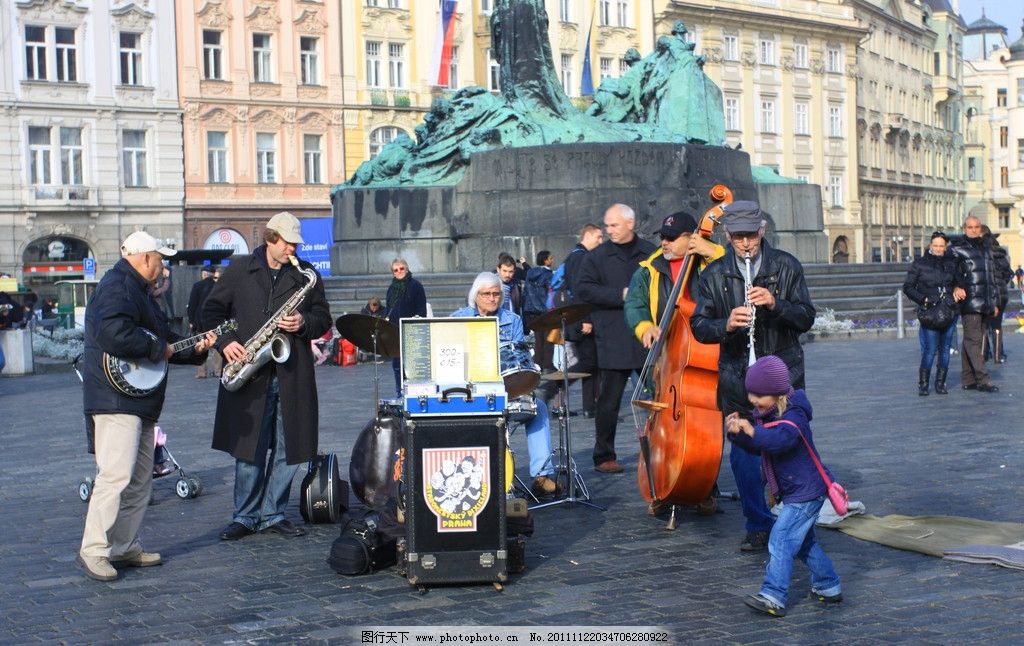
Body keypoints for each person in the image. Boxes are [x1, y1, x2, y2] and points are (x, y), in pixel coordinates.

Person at [78, 231, 216, 581]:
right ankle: (94, 549)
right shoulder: (118, 287)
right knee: (115, 476)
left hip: (137, 399)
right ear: (143, 258)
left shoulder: (138, 291)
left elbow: (162, 345)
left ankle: (124, 546)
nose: (164, 266)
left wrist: (193, 348)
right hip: (116, 398)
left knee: (140, 479)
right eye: (160, 259)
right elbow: (115, 335)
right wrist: (160, 348)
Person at [690, 200, 815, 552]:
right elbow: (699, 326)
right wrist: (725, 324)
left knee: (788, 448)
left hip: (782, 377)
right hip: (737, 378)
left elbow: (806, 317)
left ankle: (792, 520)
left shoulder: (786, 266)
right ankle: (758, 524)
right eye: (738, 237)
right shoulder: (714, 275)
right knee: (744, 456)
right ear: (727, 235)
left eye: (752, 236)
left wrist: (776, 305)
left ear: (762, 232)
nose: (746, 244)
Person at [203, 212, 332, 541]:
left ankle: (272, 512)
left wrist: (303, 323)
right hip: (251, 373)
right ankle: (245, 515)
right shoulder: (239, 270)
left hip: (293, 374)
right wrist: (225, 342)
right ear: (270, 239)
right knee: (250, 449)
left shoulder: (306, 275)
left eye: (295, 243)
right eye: (287, 242)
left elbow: (323, 320)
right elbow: (209, 312)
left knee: (291, 449)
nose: (293, 249)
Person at [624, 210, 725, 515]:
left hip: (704, 353)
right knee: (663, 426)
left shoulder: (709, 261)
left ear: (690, 237)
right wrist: (644, 327)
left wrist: (716, 252)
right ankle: (663, 485)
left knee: (706, 426)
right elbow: (634, 304)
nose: (664, 243)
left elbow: (737, 277)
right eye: (662, 237)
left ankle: (704, 484)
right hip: (666, 360)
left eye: (671, 238)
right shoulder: (649, 269)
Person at [726, 355, 842, 618]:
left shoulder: (794, 415)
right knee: (804, 543)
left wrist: (754, 432)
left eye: (758, 395)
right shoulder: (767, 413)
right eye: (750, 394)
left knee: (780, 538)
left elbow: (780, 440)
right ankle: (829, 585)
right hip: (796, 491)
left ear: (776, 393)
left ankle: (773, 595)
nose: (752, 400)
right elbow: (760, 446)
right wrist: (736, 433)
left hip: (806, 491)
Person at [451, 272, 560, 497]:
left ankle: (541, 474)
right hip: (470, 389)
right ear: (476, 296)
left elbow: (519, 357)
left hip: (505, 386)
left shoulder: (513, 320)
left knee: (538, 408)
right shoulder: (459, 318)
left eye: (496, 294)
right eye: (487, 294)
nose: (492, 298)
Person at [576, 203, 657, 474]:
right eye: (607, 225)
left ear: (630, 224)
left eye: (614, 225)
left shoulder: (651, 252)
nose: (608, 230)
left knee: (659, 396)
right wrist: (619, 296)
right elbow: (584, 289)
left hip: (647, 336)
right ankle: (604, 455)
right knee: (609, 401)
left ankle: (664, 447)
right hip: (613, 336)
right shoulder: (596, 257)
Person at [548, 223, 604, 416]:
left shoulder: (575, 255)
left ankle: (590, 406)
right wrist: (586, 319)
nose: (601, 241)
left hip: (576, 319)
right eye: (598, 237)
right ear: (588, 236)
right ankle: (556, 386)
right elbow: (581, 291)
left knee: (591, 362)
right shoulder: (581, 257)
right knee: (588, 362)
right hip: (580, 319)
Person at [902, 232, 963, 395]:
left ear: (945, 247)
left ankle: (940, 383)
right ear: (930, 246)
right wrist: (923, 299)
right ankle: (923, 384)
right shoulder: (920, 264)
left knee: (945, 349)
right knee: (930, 350)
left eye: (941, 246)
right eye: (935, 245)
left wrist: (957, 288)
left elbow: (959, 281)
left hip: (949, 310)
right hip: (930, 312)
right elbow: (907, 287)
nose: (938, 249)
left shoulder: (952, 263)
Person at [947, 216, 1001, 392]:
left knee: (971, 340)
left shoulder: (986, 247)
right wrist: (956, 286)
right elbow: (950, 273)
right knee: (974, 340)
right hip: (969, 301)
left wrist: (994, 302)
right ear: (964, 228)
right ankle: (983, 379)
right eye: (970, 227)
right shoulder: (956, 248)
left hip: (985, 301)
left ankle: (968, 378)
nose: (974, 230)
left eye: (977, 227)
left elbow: (992, 277)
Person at [385, 258, 427, 396]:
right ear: (392, 273)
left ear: (407, 269)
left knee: (412, 365)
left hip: (411, 331)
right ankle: (400, 393)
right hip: (394, 330)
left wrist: (417, 324)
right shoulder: (392, 288)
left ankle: (414, 393)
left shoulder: (415, 285)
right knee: (397, 365)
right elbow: (389, 307)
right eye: (395, 270)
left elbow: (421, 310)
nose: (399, 272)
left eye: (402, 268)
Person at [981, 226, 1011, 364]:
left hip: (987, 294)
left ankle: (984, 353)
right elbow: (1008, 273)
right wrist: (1002, 284)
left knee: (984, 325)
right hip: (1002, 294)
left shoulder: (982, 253)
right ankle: (999, 356)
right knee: (997, 325)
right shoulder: (1000, 253)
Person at [522, 250, 555, 371]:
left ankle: (538, 364)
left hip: (531, 311)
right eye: (551, 258)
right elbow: (551, 293)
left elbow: (525, 293)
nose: (552, 260)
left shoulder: (530, 273)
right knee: (548, 340)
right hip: (546, 311)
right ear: (545, 260)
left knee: (538, 340)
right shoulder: (549, 275)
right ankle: (547, 364)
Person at [187, 266, 219, 378]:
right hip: (215, 320)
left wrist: (191, 320)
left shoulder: (197, 286)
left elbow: (192, 305)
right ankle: (218, 371)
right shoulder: (218, 286)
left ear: (203, 274)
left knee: (201, 345)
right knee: (216, 346)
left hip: (200, 321)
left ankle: (201, 372)